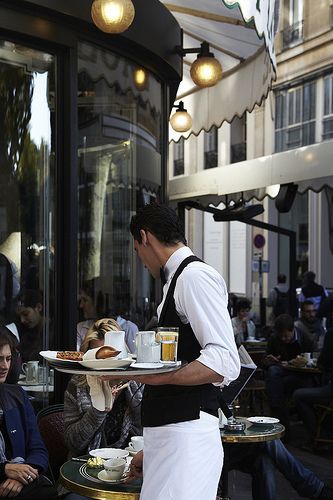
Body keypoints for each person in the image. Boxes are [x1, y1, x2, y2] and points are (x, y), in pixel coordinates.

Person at [122, 202, 240, 500]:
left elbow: (223, 361)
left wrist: (157, 378)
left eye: (137, 250)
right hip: (173, 437)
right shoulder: (177, 279)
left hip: (188, 437)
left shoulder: (193, 277)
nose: (142, 261)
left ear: (144, 238)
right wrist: (153, 450)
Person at [61, 317, 143, 500]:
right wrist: (98, 411)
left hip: (130, 470)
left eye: (107, 356)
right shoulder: (78, 384)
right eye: (96, 357)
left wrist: (130, 382)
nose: (101, 365)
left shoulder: (137, 382)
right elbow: (72, 443)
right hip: (87, 469)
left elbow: (146, 433)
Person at [0, 328, 58, 499]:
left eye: (8, 359)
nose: (5, 366)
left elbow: (38, 449)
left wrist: (23, 476)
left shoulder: (17, 395)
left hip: (23, 483)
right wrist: (5, 470)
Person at [219, 438, 333, 500]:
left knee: (264, 459)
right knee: (267, 439)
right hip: (211, 452)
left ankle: (313, 487)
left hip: (221, 441)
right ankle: (313, 488)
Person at [263, 313, 316, 437]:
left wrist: (297, 362)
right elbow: (266, 360)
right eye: (280, 336)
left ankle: (280, 422)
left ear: (292, 331)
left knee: (275, 386)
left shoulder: (304, 338)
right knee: (273, 374)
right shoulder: (274, 339)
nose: (283, 339)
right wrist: (268, 360)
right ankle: (282, 423)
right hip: (281, 372)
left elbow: (312, 360)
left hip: (301, 374)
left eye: (286, 336)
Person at [293, 301, 333, 446]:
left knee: (299, 395)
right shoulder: (299, 326)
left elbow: (323, 364)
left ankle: (318, 436)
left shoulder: (330, 333)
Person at [77, 280, 138, 353]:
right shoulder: (81, 328)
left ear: (98, 302)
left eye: (85, 300)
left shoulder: (129, 329)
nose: (81, 305)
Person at [15, 289, 54, 363]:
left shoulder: (55, 332)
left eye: (26, 314)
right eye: (19, 317)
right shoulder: (27, 334)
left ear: (39, 307)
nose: (22, 320)